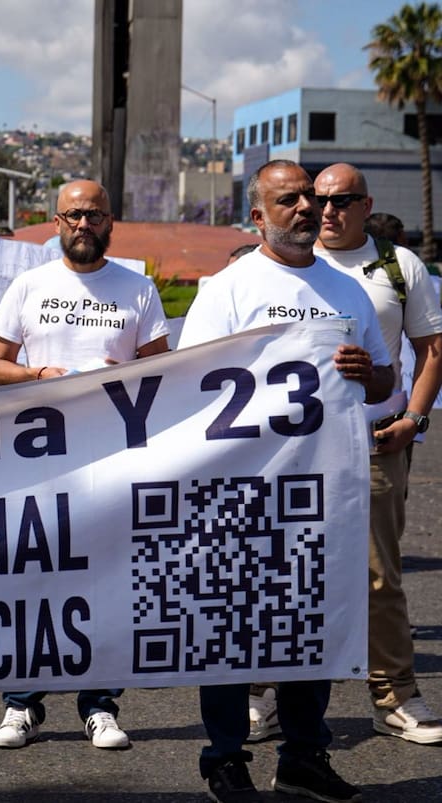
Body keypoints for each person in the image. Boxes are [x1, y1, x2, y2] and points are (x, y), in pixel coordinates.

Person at [180, 159, 393, 803]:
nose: (305, 208)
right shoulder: (228, 289)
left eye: (308, 197)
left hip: (325, 493)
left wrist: (366, 371)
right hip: (240, 491)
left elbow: (386, 383)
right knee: (229, 626)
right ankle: (224, 757)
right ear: (258, 216)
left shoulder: (349, 290)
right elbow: (187, 385)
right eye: (287, 200)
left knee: (310, 624)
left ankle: (302, 755)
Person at [0, 179, 169, 752]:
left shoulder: (138, 289)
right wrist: (42, 377)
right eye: (72, 216)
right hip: (36, 460)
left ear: (110, 221)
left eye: (93, 215)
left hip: (111, 460)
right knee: (33, 578)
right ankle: (21, 705)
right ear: (56, 222)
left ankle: (101, 706)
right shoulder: (29, 286)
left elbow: (161, 375)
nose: (83, 225)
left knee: (108, 577)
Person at [311, 163, 442, 746]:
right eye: (319, 199)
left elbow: (431, 349)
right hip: (288, 451)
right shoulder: (286, 262)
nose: (328, 210)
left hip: (373, 441)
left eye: (343, 200)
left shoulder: (398, 265)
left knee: (378, 576)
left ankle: (394, 697)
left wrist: (413, 420)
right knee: (280, 570)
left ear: (367, 205)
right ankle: (261, 695)